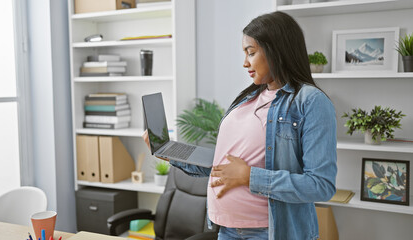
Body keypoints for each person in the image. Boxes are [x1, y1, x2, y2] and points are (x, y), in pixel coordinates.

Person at [144, 11, 337, 240]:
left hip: (271, 233)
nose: (245, 62)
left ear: (278, 50)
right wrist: (171, 153)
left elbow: (321, 185)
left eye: (251, 53)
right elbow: (223, 167)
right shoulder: (247, 99)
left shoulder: (311, 101)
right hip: (226, 230)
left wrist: (250, 177)